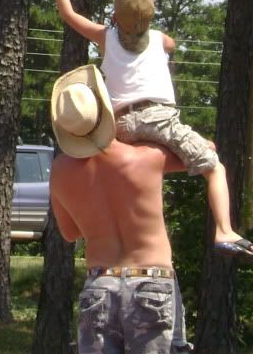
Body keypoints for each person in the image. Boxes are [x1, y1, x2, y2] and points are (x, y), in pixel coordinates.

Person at [50, 0, 253, 266]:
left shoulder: (105, 37)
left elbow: (69, 14)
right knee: (214, 166)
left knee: (127, 169)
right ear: (150, 16)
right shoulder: (158, 39)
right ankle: (224, 230)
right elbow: (171, 44)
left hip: (120, 124)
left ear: (115, 17)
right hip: (160, 119)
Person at [49, 64, 186, 353]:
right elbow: (206, 152)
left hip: (101, 281)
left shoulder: (60, 171)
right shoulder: (148, 157)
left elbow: (70, 232)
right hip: (151, 280)